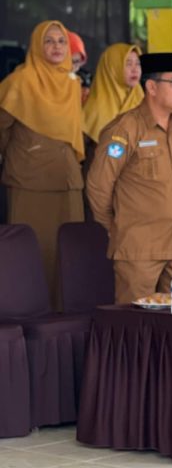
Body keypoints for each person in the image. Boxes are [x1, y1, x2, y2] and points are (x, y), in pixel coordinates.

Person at [86, 52, 172, 303]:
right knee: (136, 320)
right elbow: (98, 185)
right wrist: (115, 226)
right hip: (139, 249)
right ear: (152, 87)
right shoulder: (125, 129)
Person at [0, 20, 85, 296]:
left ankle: (65, 315)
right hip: (30, 179)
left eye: (61, 41)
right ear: (37, 45)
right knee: (32, 253)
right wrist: (25, 151)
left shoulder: (72, 84)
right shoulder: (19, 82)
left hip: (67, 179)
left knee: (67, 255)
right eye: (48, 41)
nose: (56, 47)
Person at [83, 43, 144, 144]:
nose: (135, 69)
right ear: (112, 68)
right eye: (128, 64)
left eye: (138, 64)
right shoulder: (94, 109)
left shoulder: (142, 101)